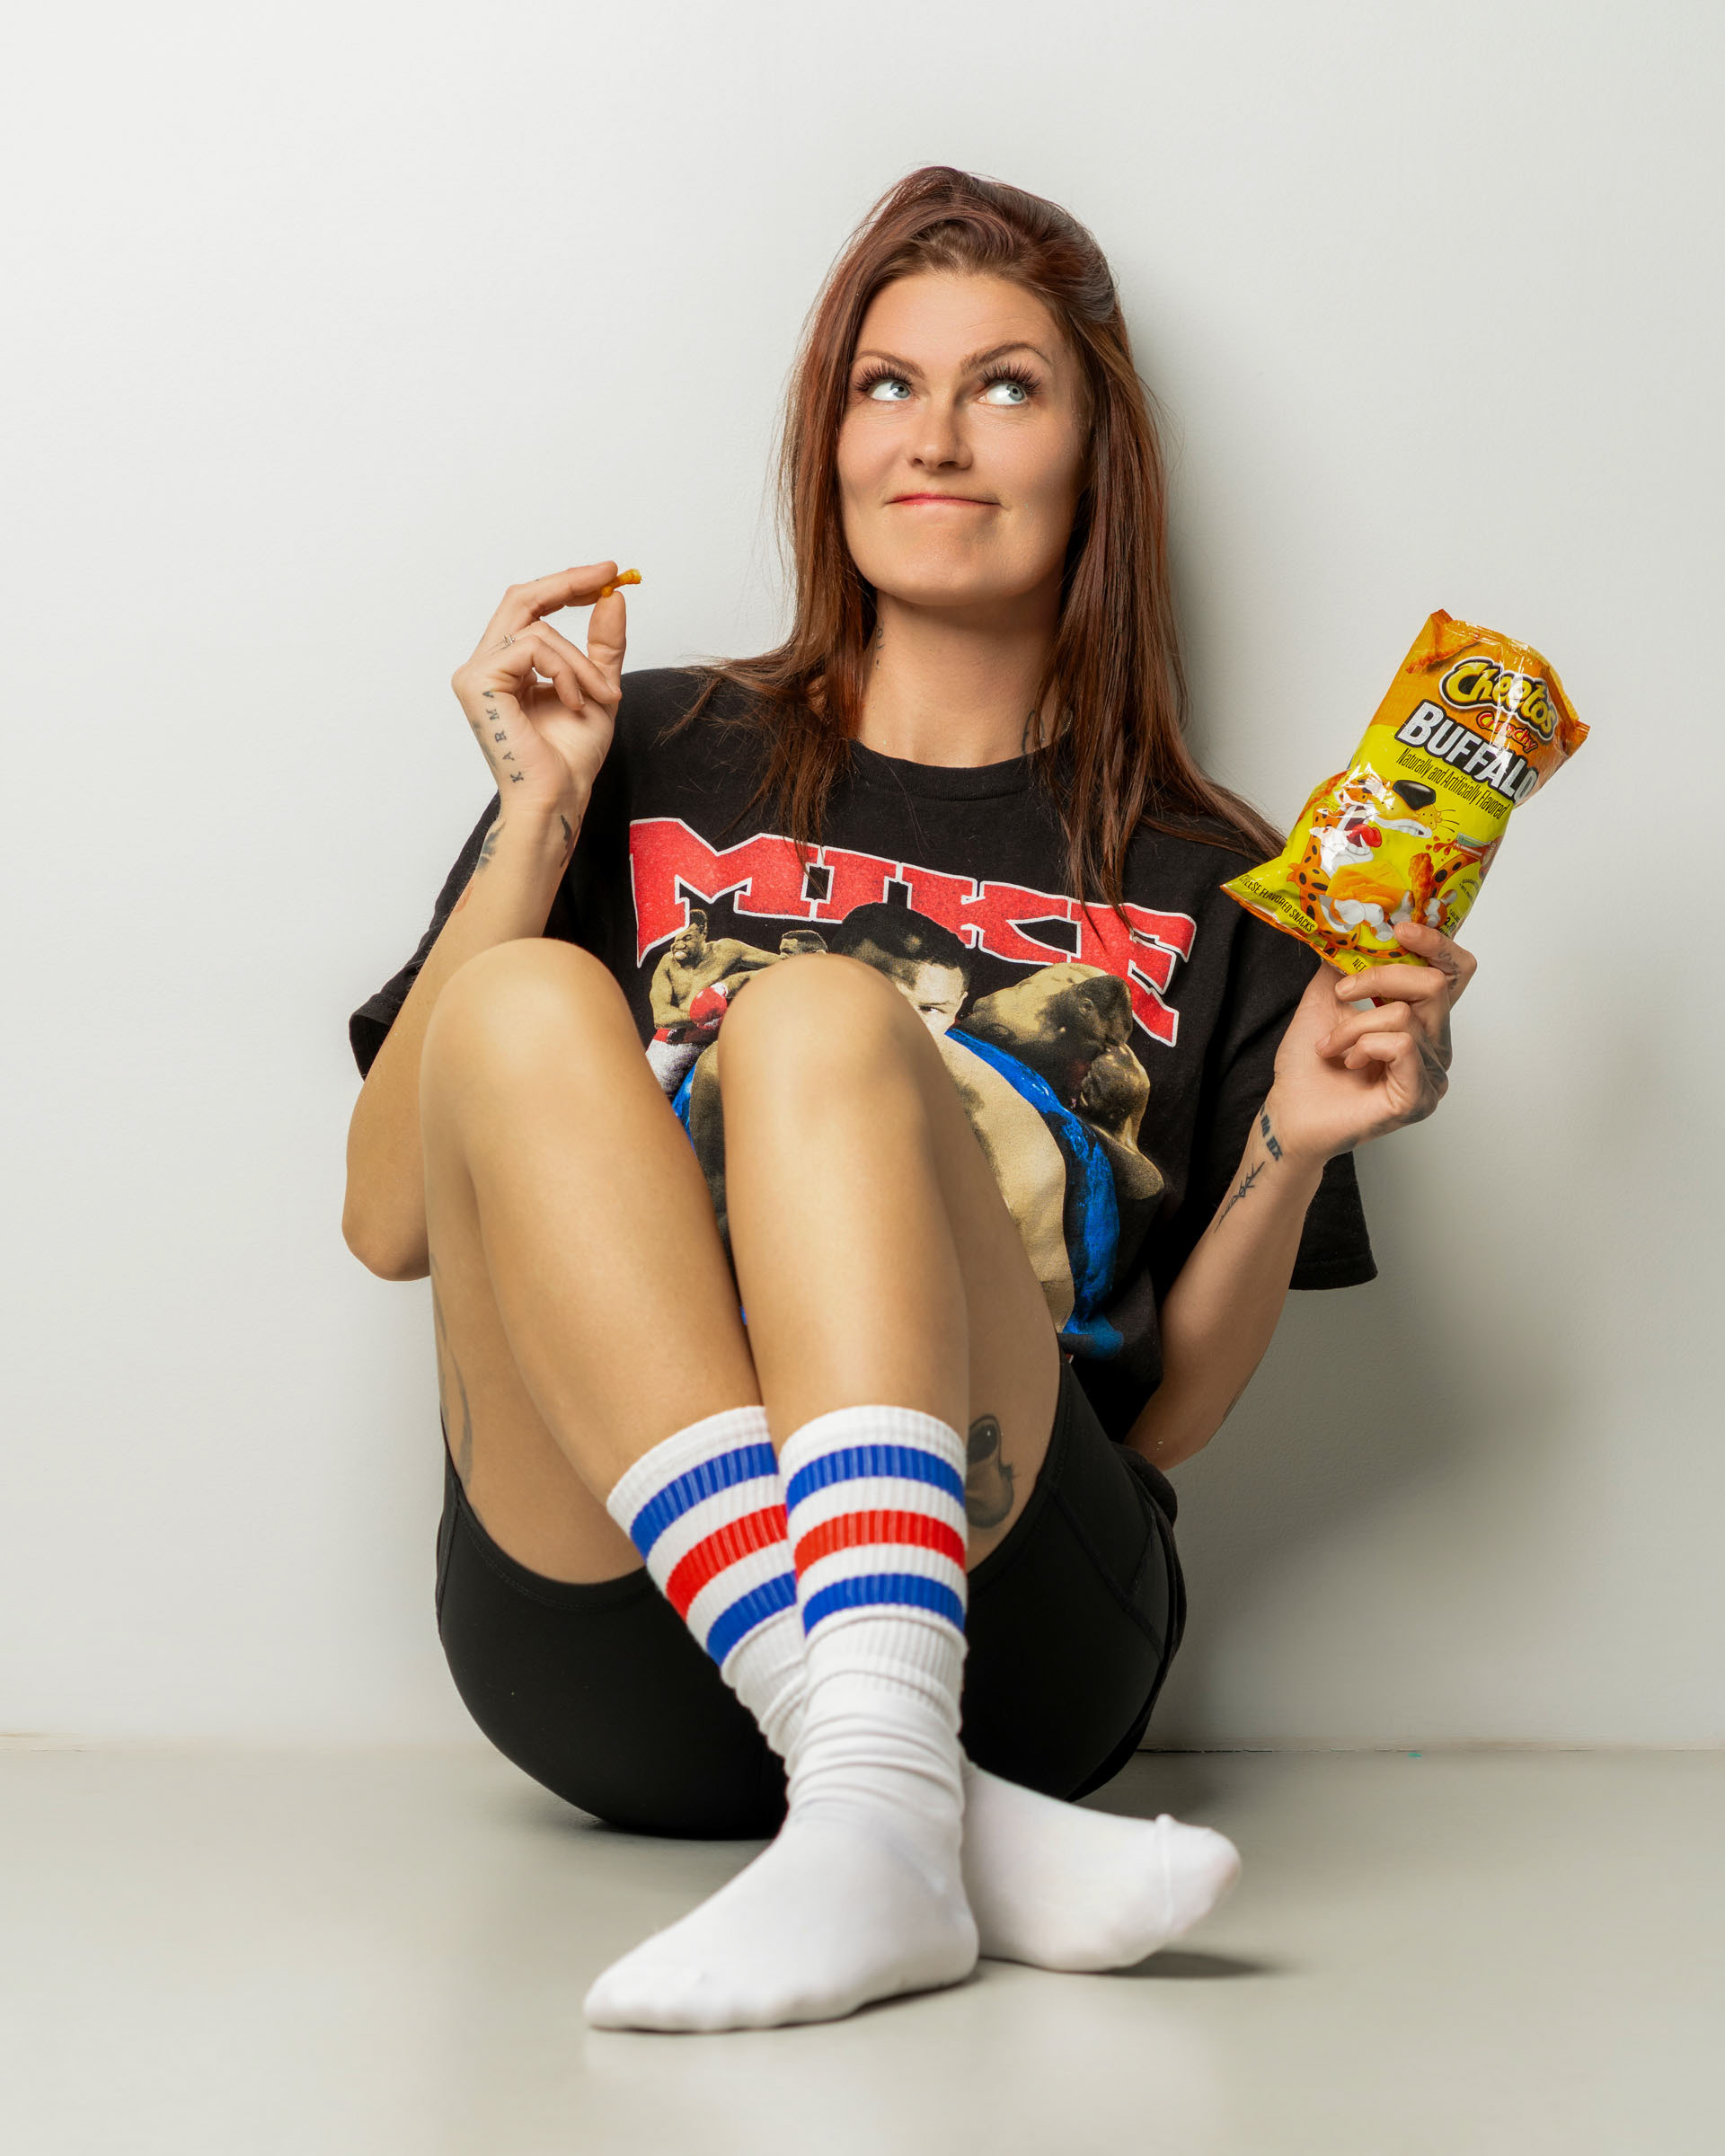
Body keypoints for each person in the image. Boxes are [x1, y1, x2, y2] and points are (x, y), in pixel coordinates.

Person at [342, 167, 1473, 2033]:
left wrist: (1294, 1145)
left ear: (1099, 454)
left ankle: (888, 1790)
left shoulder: (1217, 876)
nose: (936, 437)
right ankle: (909, 1808)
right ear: (828, 438)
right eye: (887, 385)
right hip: (611, 1635)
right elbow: (392, 1221)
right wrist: (542, 821)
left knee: (820, 1029)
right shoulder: (638, 750)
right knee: (535, 998)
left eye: (1008, 387)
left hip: (1016, 1617)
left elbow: (1165, 1416)